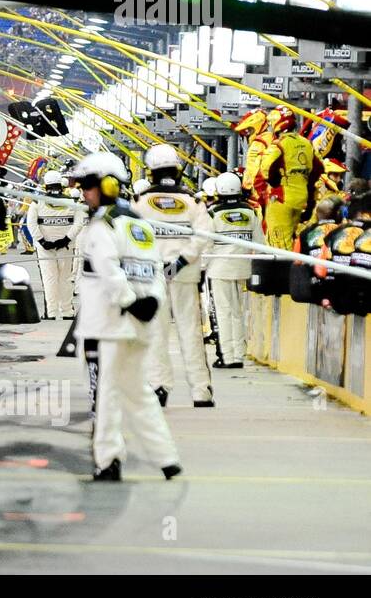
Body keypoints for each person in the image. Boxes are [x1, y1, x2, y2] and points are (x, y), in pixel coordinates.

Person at [70, 151, 181, 483]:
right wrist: (150, 303)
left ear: (106, 186)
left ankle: (107, 461)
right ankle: (167, 458)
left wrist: (129, 301)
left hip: (108, 325)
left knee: (106, 394)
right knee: (139, 392)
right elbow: (155, 271)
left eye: (88, 185)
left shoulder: (101, 226)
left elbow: (108, 270)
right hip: (140, 322)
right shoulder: (140, 225)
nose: (83, 192)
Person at [135, 143, 216, 408]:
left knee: (155, 332)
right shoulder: (193, 201)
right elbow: (205, 234)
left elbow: (131, 237)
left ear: (151, 172)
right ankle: (201, 391)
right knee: (191, 332)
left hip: (152, 274)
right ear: (177, 170)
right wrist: (181, 261)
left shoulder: (140, 202)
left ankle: (159, 387)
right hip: (184, 274)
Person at [205, 173, 264, 370]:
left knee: (223, 312)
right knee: (238, 312)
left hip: (219, 268)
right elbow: (260, 242)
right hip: (243, 267)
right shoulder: (250, 212)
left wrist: (201, 266)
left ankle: (228, 357)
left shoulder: (213, 213)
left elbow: (206, 243)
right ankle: (239, 355)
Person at [26, 170, 85, 320]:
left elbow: (31, 224)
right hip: (66, 247)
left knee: (49, 279)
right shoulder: (72, 203)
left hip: (45, 248)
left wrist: (42, 241)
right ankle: (67, 311)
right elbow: (79, 223)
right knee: (66, 278)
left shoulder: (36, 202)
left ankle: (51, 313)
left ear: (46, 185)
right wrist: (66, 239)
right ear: (61, 185)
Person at [260, 107, 317, 251]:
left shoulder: (278, 144)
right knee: (294, 238)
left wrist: (274, 184)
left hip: (282, 198)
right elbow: (318, 168)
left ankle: (282, 272)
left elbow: (265, 170)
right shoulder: (306, 143)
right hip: (301, 197)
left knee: (277, 241)